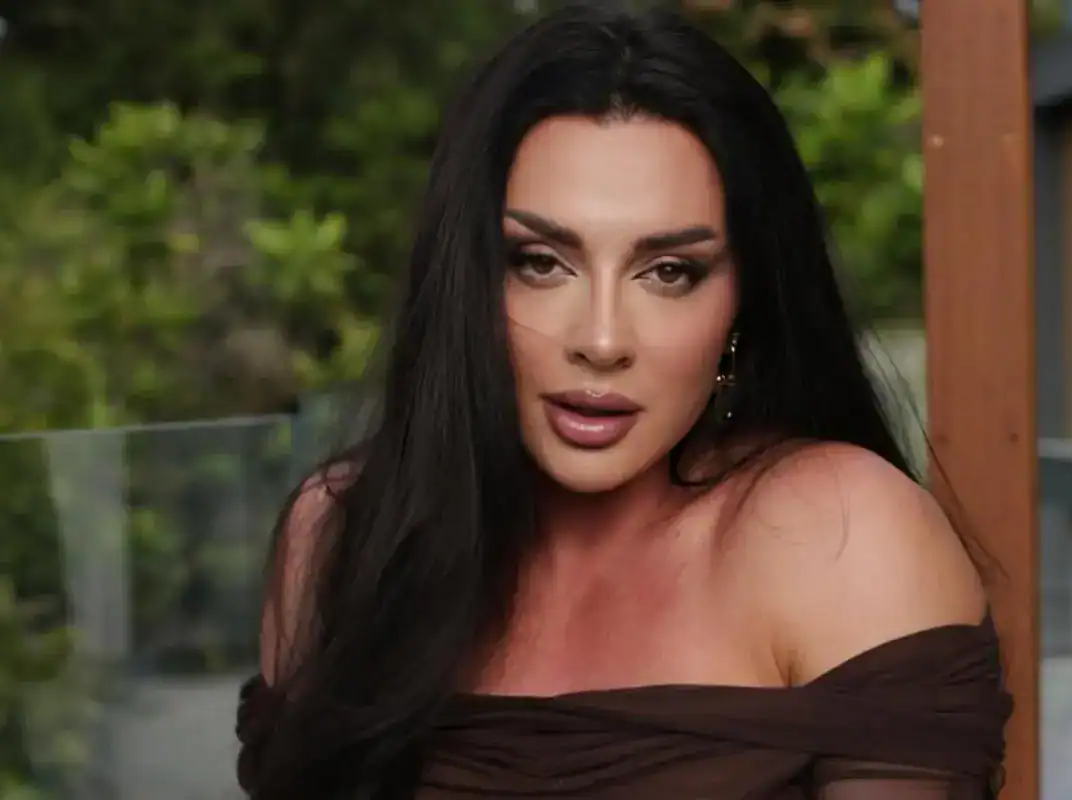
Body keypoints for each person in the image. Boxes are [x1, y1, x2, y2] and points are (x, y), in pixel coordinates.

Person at [235, 2, 1012, 798]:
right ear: (467, 277)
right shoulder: (338, 536)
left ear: (742, 300)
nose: (602, 340)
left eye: (669, 272)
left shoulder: (839, 537)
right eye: (541, 262)